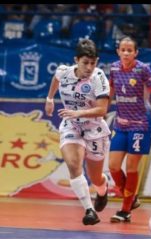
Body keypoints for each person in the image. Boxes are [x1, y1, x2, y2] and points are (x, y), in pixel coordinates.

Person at [44, 38, 110, 225]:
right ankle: (89, 211)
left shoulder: (98, 78)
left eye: (93, 62)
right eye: (85, 63)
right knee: (74, 165)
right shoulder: (63, 72)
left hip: (94, 128)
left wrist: (78, 112)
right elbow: (55, 79)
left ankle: (102, 189)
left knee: (96, 177)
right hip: (72, 125)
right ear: (76, 60)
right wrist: (49, 98)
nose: (89, 67)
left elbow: (102, 110)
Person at [108, 36, 151, 223]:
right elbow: (110, 92)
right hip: (120, 124)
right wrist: (101, 111)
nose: (126, 53)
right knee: (113, 166)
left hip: (141, 124)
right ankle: (131, 198)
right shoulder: (114, 68)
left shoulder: (142, 69)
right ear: (118, 51)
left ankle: (125, 210)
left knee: (131, 166)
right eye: (122, 49)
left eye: (129, 50)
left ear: (136, 53)